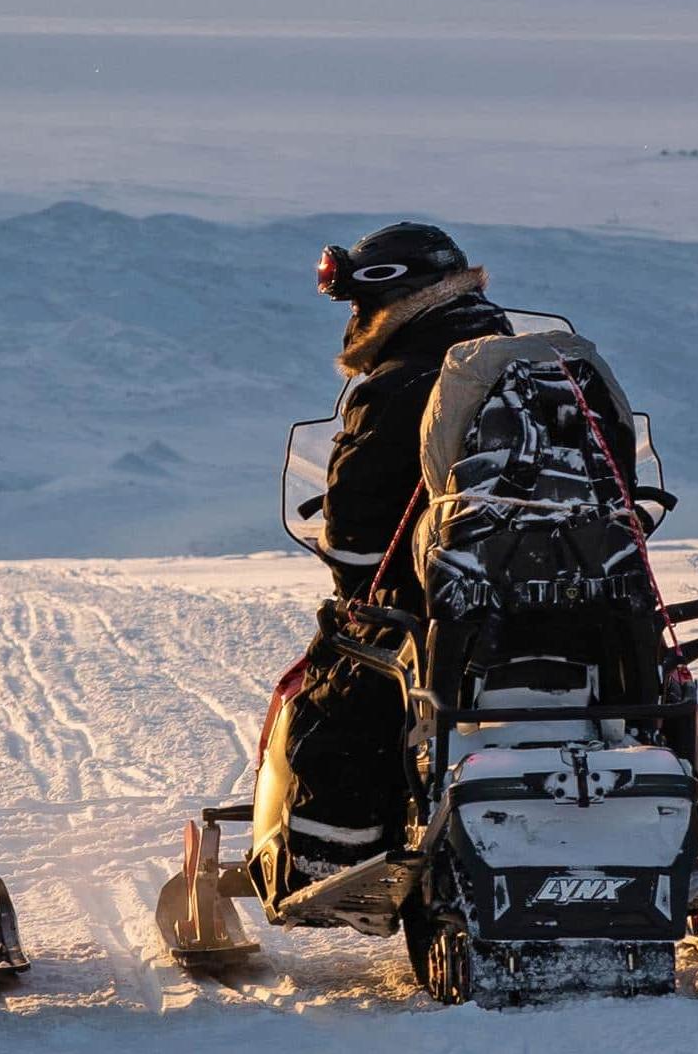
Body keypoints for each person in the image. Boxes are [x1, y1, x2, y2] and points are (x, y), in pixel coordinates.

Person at [255, 223, 636, 898]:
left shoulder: (399, 382)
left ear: (387, 300)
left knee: (340, 689)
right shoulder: (547, 371)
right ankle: (689, 849)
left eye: (354, 305)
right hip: (586, 606)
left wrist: (356, 581)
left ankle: (333, 863)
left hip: (447, 617)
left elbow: (354, 535)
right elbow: (624, 486)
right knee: (651, 685)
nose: (352, 321)